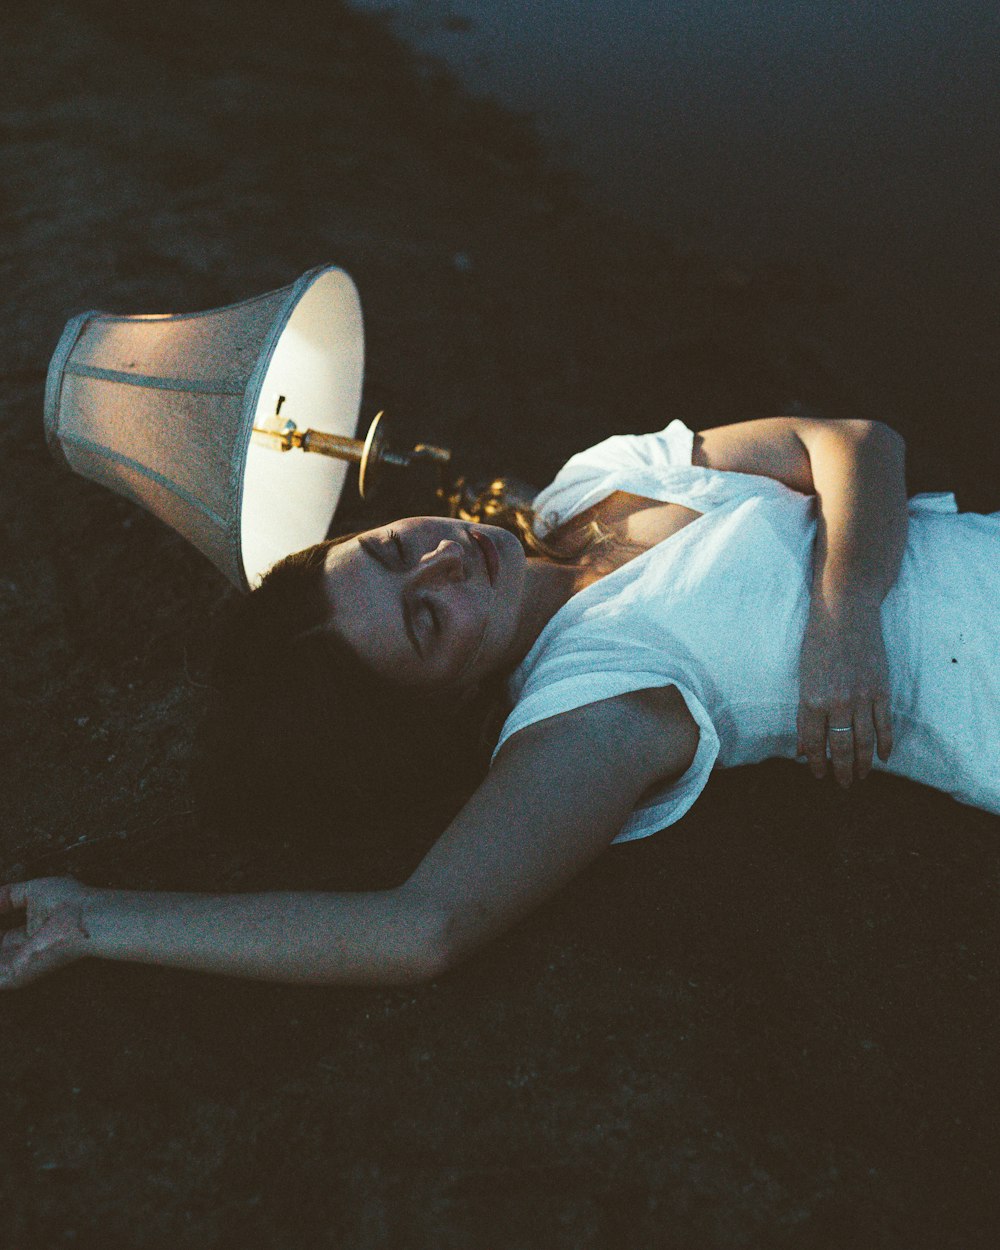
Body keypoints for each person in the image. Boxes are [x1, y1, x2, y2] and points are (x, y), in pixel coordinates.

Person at [2, 417, 997, 990]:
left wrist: (844, 609)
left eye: (393, 546)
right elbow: (421, 926)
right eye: (427, 619)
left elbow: (855, 440)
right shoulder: (591, 695)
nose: (443, 558)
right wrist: (94, 919)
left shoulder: (589, 485)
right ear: (455, 696)